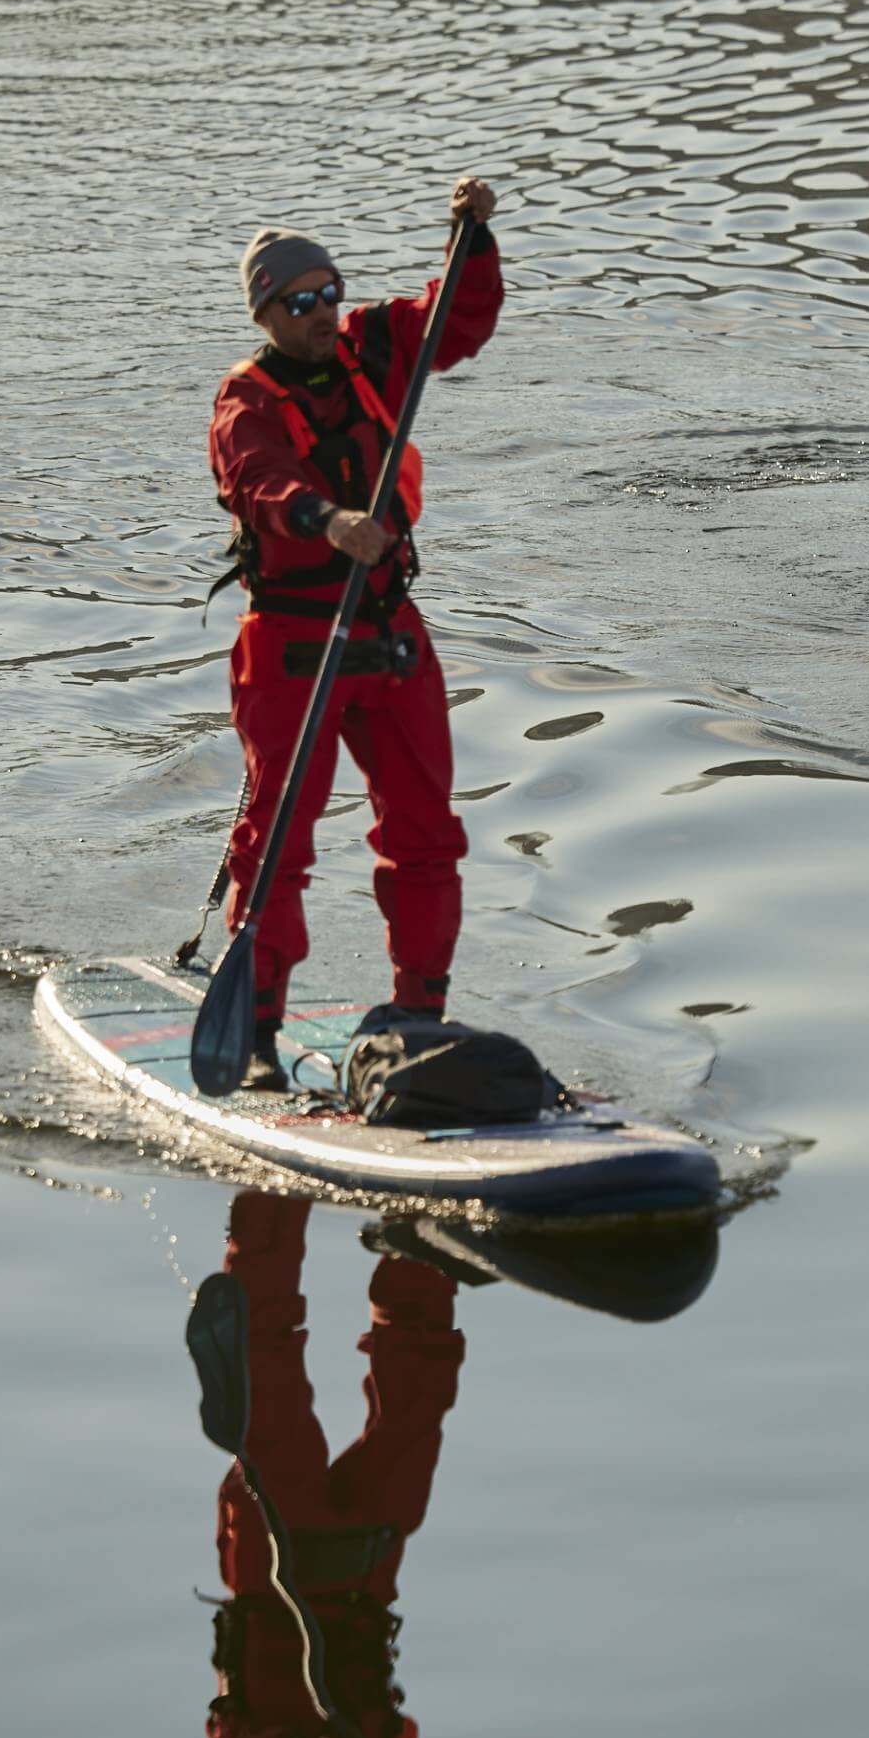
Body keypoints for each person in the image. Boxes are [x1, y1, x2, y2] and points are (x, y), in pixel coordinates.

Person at [210, 181, 503, 1088]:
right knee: (279, 838)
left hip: (388, 633)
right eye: (300, 302)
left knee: (426, 831)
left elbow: (458, 321)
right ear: (267, 312)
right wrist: (328, 520)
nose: (322, 313)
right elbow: (255, 479)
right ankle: (255, 1036)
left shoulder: (374, 344)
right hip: (295, 643)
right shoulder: (244, 398)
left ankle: (418, 1011)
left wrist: (475, 238)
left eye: (330, 292)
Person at [205, 1190, 485, 1738]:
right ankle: (418, 1239)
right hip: (365, 1571)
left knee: (266, 1366)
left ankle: (270, 1197)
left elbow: (238, 1729)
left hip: (275, 1552)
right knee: (419, 1398)